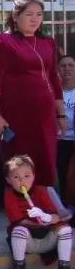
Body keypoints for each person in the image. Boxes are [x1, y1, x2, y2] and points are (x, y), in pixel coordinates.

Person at [0, 0, 66, 190]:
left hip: (45, 117)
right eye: (29, 14)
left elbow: (54, 79)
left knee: (46, 164)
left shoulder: (48, 43)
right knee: (19, 166)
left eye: (39, 14)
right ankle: (20, 206)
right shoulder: (2, 42)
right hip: (17, 117)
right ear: (16, 15)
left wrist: (61, 113)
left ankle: (44, 206)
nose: (35, 19)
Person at [3, 155, 75, 269]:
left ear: (33, 176)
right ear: (8, 180)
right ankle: (19, 265)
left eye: (27, 176)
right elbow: (20, 221)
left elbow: (56, 217)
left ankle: (64, 267)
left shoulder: (41, 191)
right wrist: (40, 223)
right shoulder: (9, 194)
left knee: (66, 230)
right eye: (16, 177)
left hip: (48, 239)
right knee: (18, 230)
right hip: (28, 241)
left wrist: (45, 217)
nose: (22, 181)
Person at [59, 55, 75, 207]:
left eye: (70, 65)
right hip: (59, 140)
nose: (67, 69)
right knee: (61, 174)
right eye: (63, 66)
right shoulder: (54, 92)